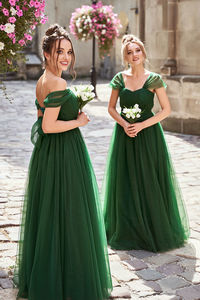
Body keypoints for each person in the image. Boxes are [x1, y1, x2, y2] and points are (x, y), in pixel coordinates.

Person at [14, 24, 112, 300]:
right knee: (70, 212)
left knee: (52, 213)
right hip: (64, 154)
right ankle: (70, 277)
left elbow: (39, 114)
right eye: (59, 51)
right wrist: (78, 120)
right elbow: (47, 126)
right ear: (46, 53)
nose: (66, 56)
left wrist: (70, 110)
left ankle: (53, 271)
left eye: (69, 51)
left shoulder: (42, 80)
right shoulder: (58, 82)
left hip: (48, 155)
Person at [102, 34, 189, 252]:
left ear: (143, 52)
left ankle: (153, 228)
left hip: (149, 135)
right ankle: (128, 229)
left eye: (137, 51)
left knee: (149, 178)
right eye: (129, 52)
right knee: (125, 179)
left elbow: (166, 110)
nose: (134, 55)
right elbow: (111, 108)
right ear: (125, 56)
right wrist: (124, 124)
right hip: (125, 135)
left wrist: (142, 125)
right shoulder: (119, 79)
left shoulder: (154, 79)